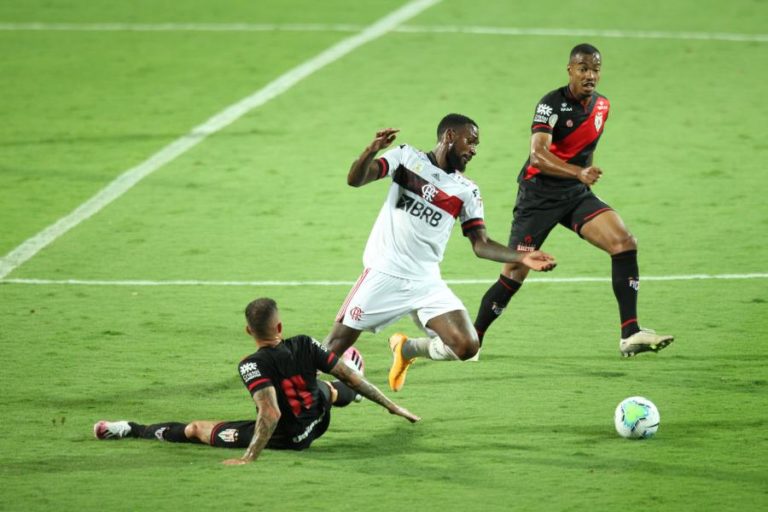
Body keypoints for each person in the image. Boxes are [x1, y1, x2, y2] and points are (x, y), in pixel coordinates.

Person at [324, 114, 557, 393]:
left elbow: (480, 244)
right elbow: (355, 180)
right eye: (470, 142)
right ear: (449, 136)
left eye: (476, 145)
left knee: (468, 346)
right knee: (334, 346)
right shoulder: (405, 158)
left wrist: (521, 257)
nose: (473, 150)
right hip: (385, 272)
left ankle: (406, 348)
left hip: (426, 282)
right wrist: (370, 150)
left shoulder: (466, 191)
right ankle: (299, 392)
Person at [473, 44, 674, 357]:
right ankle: (473, 339)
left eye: (595, 69)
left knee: (623, 242)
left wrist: (583, 175)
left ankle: (630, 332)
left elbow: (586, 148)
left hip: (575, 194)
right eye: (583, 68)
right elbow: (538, 156)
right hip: (538, 197)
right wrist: (579, 172)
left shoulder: (603, 106)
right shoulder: (550, 105)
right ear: (570, 70)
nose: (590, 75)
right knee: (515, 272)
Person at [94, 298, 419, 464]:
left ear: (249, 331)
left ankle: (130, 429)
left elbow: (271, 414)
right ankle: (349, 396)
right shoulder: (305, 343)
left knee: (194, 429)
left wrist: (250, 457)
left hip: (288, 438)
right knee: (330, 388)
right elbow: (353, 377)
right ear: (280, 327)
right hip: (317, 418)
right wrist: (392, 406)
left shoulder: (251, 365)